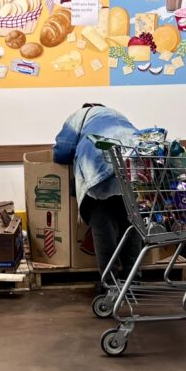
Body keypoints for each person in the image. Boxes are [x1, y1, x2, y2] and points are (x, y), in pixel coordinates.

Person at [53, 104, 143, 277]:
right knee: (131, 222)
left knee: (103, 222)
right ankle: (133, 277)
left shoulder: (81, 114)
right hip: (134, 164)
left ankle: (109, 280)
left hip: (100, 164)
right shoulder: (118, 113)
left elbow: (63, 151)